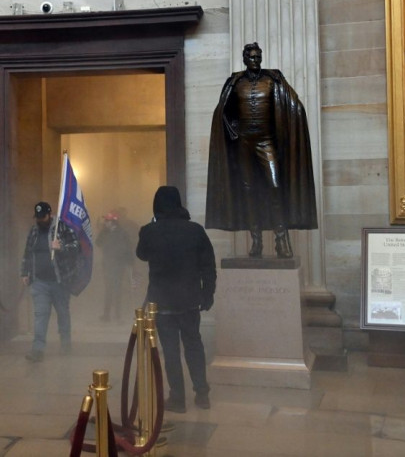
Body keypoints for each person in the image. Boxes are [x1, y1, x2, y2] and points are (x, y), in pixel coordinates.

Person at [205, 42, 317, 258]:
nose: (256, 61)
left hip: (266, 141)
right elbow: (222, 112)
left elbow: (293, 104)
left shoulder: (273, 80)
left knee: (275, 186)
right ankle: (256, 241)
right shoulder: (235, 83)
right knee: (248, 191)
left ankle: (281, 238)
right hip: (243, 144)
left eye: (258, 57)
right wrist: (232, 130)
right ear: (245, 59)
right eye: (252, 57)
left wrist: (296, 113)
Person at [136, 186, 216, 413]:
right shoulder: (195, 230)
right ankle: (202, 394)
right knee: (193, 345)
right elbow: (208, 266)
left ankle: (178, 398)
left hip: (162, 301)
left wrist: (153, 224)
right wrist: (208, 293)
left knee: (170, 351)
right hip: (190, 299)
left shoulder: (149, 231)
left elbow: (141, 255)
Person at [20, 201, 81, 362]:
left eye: (43, 217)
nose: (40, 220)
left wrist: (61, 247)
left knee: (62, 314)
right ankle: (37, 349)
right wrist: (24, 272)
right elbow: (27, 252)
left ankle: (65, 345)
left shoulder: (62, 227)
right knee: (40, 315)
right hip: (39, 281)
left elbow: (76, 247)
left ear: (49, 214)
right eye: (38, 217)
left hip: (60, 281)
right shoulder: (34, 230)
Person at [95, 211, 133, 322]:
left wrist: (130, 263)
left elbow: (128, 248)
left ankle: (118, 315)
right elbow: (98, 243)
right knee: (108, 290)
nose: (105, 222)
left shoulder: (122, 233)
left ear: (113, 222)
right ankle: (106, 315)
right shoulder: (105, 232)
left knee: (117, 291)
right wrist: (102, 232)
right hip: (107, 265)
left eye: (107, 220)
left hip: (119, 266)